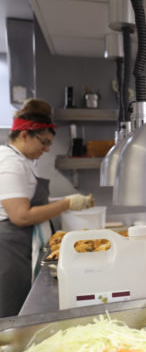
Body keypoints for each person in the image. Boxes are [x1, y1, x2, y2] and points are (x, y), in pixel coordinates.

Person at [0, 98, 95, 317]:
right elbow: (21, 215)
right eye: (44, 142)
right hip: (10, 250)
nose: (46, 148)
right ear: (24, 135)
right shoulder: (9, 163)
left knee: (21, 308)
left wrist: (69, 202)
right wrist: (67, 203)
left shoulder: (21, 161)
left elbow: (31, 204)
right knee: (12, 311)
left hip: (20, 247)